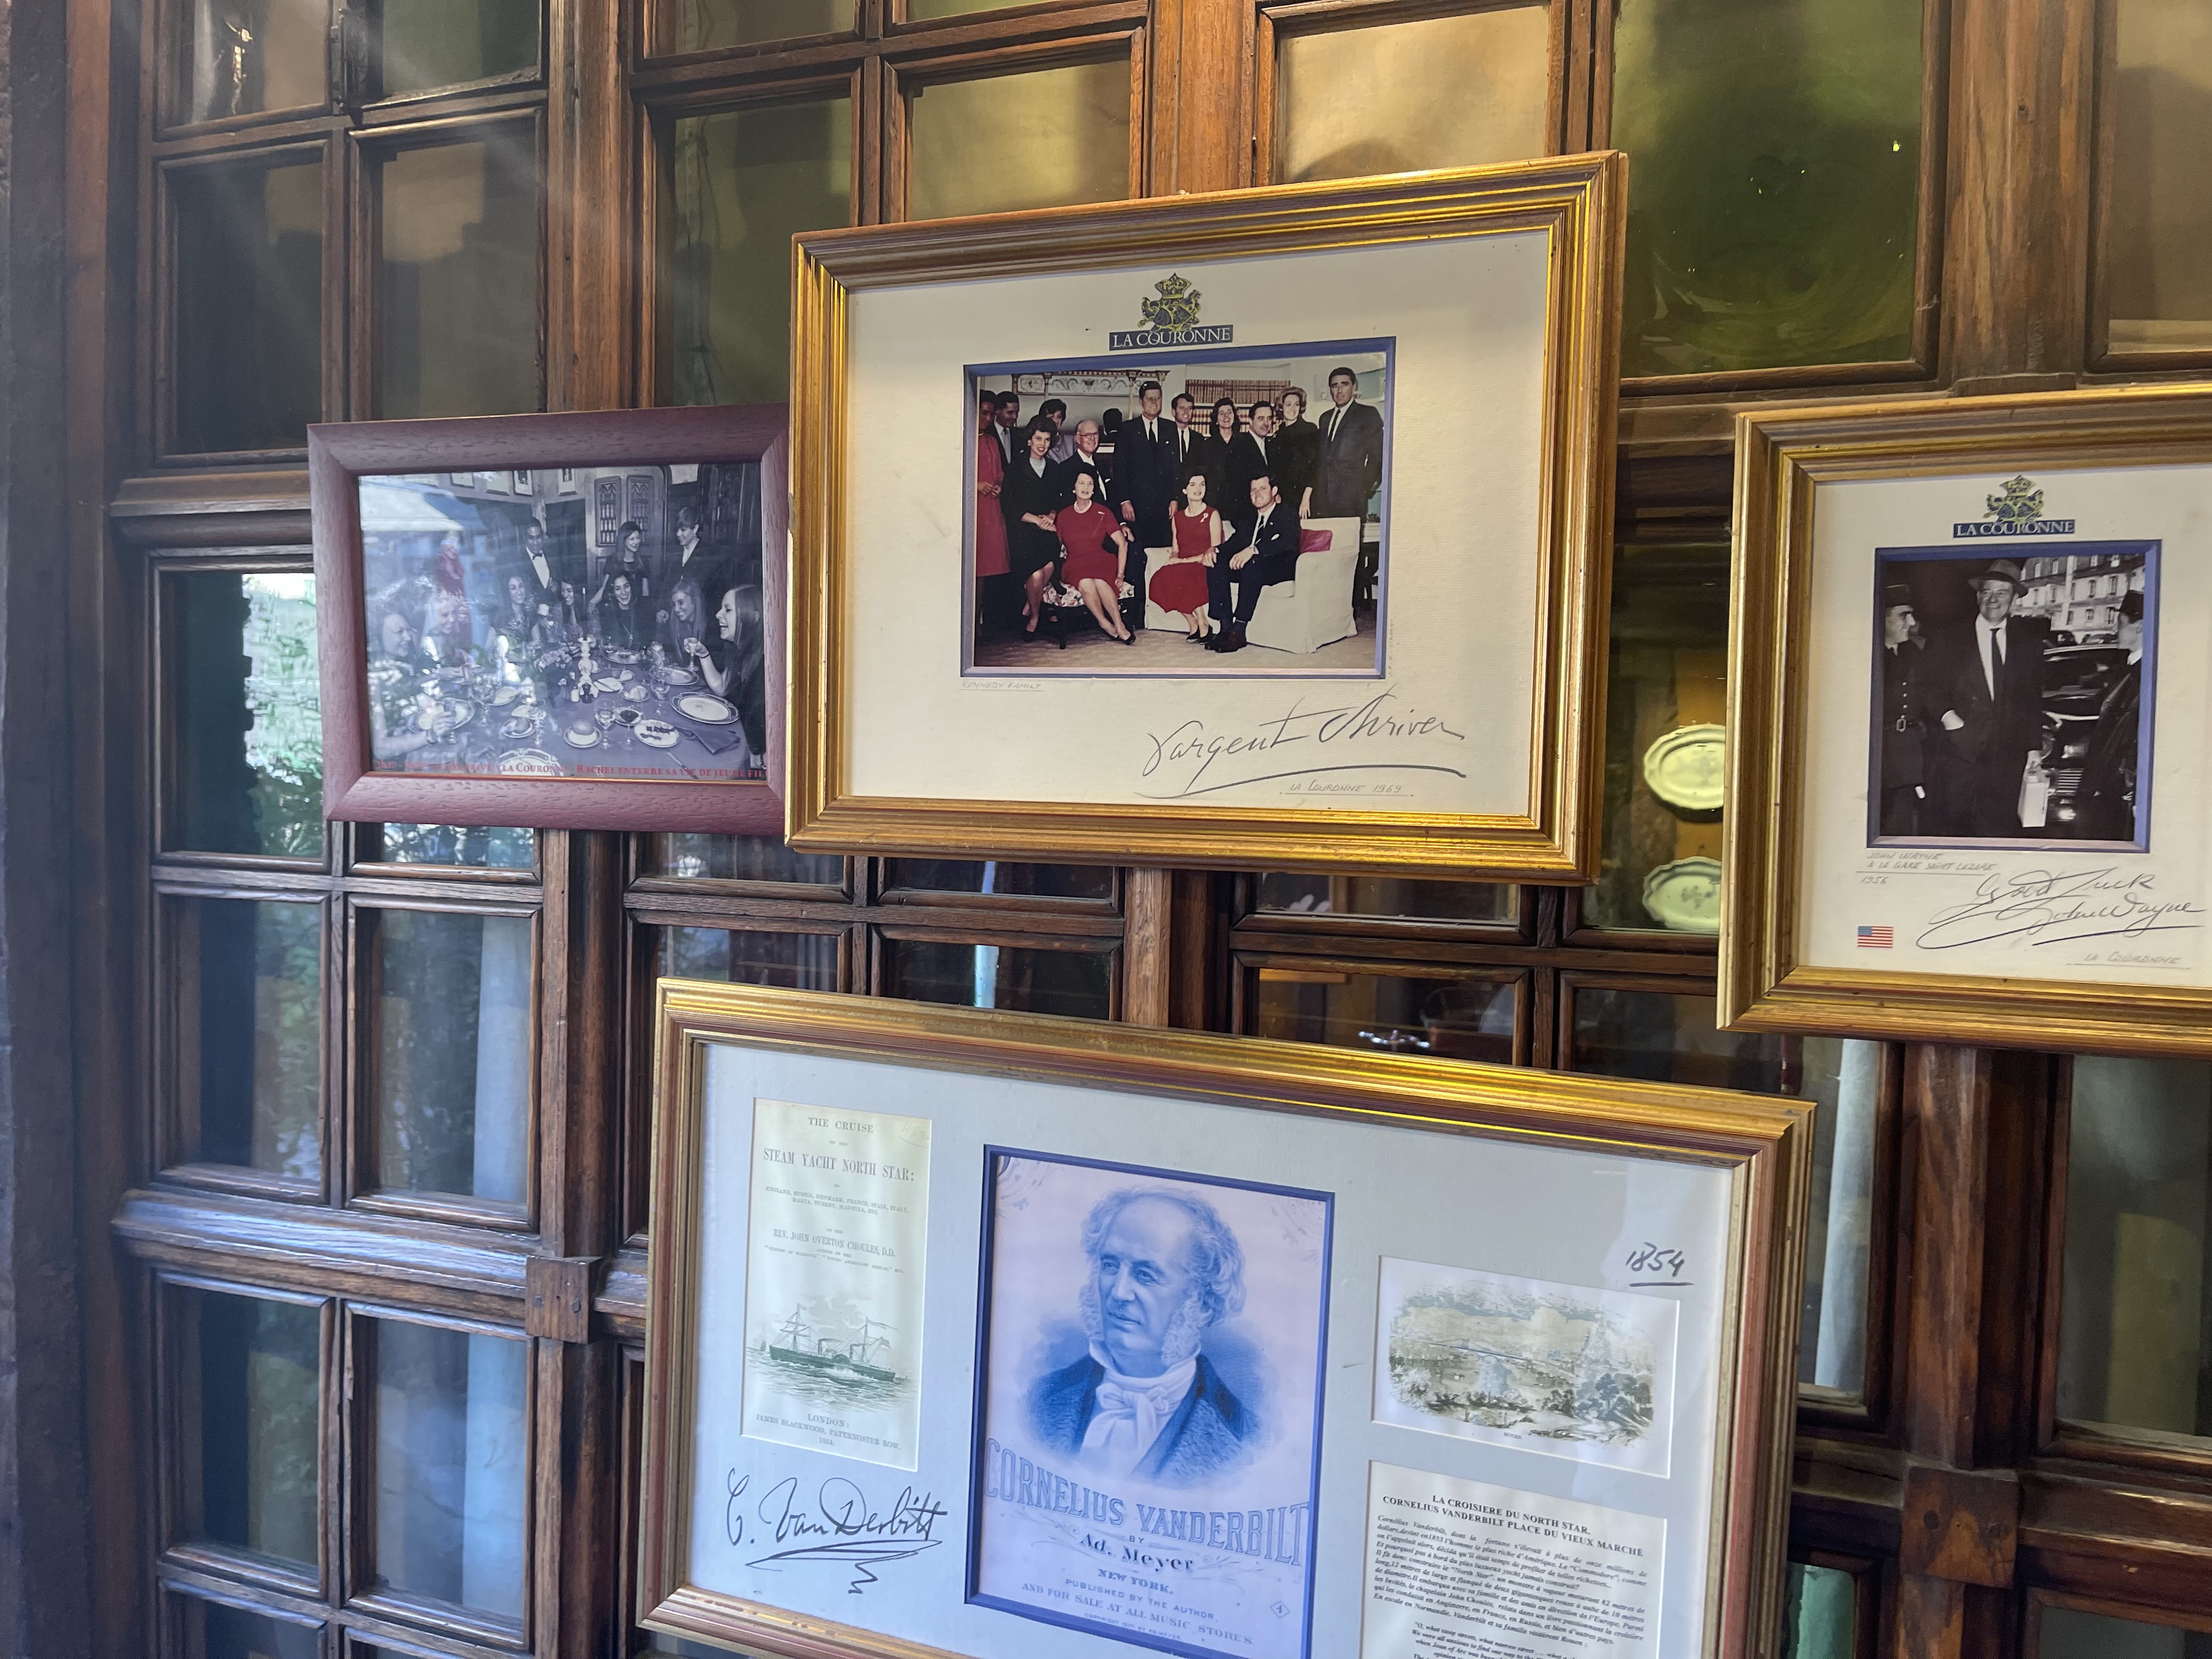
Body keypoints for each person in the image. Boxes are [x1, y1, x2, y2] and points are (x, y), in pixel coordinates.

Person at [1027, 1188, 1255, 1488]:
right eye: (1110, 1266)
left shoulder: (1246, 1443)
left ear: (1202, 1301)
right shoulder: (1038, 1401)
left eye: (1146, 1274)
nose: (1119, 1292)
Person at [1923, 559, 2052, 837]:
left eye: (2001, 593)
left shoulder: (2028, 642)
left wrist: (2032, 748)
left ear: (2014, 598)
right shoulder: (1948, 637)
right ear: (1978, 596)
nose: (1993, 600)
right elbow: (1929, 686)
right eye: (1987, 592)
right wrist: (1949, 719)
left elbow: (2031, 699)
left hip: (2006, 759)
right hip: (1957, 755)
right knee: (1951, 831)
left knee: (1998, 832)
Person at [2076, 589, 2146, 842]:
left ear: (2140, 627)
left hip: (2124, 786)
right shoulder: (2129, 669)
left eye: (2121, 623)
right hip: (2113, 783)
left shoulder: (2146, 674)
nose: (2116, 629)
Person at [1206, 470, 1301, 653]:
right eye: (1253, 490)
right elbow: (1235, 542)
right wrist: (1214, 549)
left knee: (1253, 563)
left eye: (1263, 489)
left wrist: (1254, 550)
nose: (1257, 494)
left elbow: (1287, 544)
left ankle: (1239, 631)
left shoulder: (1287, 514)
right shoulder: (1249, 517)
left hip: (1278, 569)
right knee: (1216, 563)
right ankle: (1226, 628)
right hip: (1252, 570)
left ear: (1274, 491)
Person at [1054, 469, 1135, 644]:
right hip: (1074, 563)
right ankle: (1104, 623)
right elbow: (1055, 546)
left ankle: (1119, 625)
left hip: (1100, 560)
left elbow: (1123, 544)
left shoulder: (1103, 512)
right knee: (1085, 582)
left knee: (1101, 581)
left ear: (1094, 489)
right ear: (1074, 488)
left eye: (1090, 484)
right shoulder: (1064, 515)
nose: (1086, 487)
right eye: (1082, 483)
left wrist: (1120, 575)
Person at [1000, 423, 1065, 635]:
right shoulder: (1016, 468)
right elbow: (1009, 506)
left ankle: (1030, 604)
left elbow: (1058, 501)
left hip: (1047, 528)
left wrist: (1052, 516)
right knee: (1036, 574)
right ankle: (1035, 616)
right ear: (1029, 441)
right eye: (1038, 439)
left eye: (1047, 440)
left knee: (1049, 564)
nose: (1042, 444)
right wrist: (1037, 521)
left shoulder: (1053, 467)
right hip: (1023, 529)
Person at [691, 582, 766, 763]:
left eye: (728, 610)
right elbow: (722, 688)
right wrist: (704, 655)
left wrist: (760, 761)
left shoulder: (767, 667)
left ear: (752, 618)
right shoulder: (737, 649)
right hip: (733, 744)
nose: (718, 614)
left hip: (747, 759)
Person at [1150, 471, 1222, 643]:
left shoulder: (1212, 514)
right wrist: (1173, 560)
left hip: (1205, 563)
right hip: (1183, 564)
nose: (1198, 489)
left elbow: (1216, 549)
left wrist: (1181, 561)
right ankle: (1193, 622)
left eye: (1202, 484)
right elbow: (1176, 549)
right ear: (1184, 490)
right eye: (1193, 484)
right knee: (1161, 577)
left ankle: (1203, 623)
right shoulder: (1178, 518)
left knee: (1186, 576)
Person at [1878, 584, 1927, 836]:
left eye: (1912, 615)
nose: (1912, 623)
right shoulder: (1869, 655)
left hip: (1909, 751)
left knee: (1903, 821)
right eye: (1903, 615)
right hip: (1879, 752)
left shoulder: (1911, 651)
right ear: (1881, 618)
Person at [1116, 380, 1181, 559]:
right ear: (1141, 402)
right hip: (1137, 506)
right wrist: (1124, 501)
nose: (1154, 402)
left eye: (1158, 398)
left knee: (1162, 554)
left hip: (1164, 507)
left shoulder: (1170, 428)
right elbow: (1120, 469)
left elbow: (1176, 467)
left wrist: (1175, 498)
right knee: (1138, 555)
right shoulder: (1128, 429)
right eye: (1150, 399)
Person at [1313, 365, 1384, 519]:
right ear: (1330, 390)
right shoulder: (1325, 418)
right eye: (1335, 386)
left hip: (1351, 500)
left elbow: (1377, 458)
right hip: (1324, 500)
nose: (1339, 391)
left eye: (1344, 385)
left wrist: (1362, 489)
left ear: (1354, 387)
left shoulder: (1367, 414)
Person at [366, 605, 434, 763]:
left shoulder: (404, 667)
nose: (408, 638)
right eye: (399, 632)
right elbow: (381, 748)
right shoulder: (374, 680)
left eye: (409, 631)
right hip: (398, 767)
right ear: (380, 638)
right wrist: (431, 736)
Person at [974, 387, 1012, 629]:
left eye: (990, 414)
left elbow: (1000, 473)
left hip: (990, 509)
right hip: (973, 509)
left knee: (986, 570)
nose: (988, 419)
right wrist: (976, 485)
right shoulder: (962, 438)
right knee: (973, 567)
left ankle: (980, 622)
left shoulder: (991, 441)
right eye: (984, 413)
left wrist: (998, 486)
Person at [1223, 400, 1278, 532]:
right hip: (1248, 517)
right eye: (1261, 419)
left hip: (1266, 514)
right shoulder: (1239, 445)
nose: (1266, 424)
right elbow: (1237, 487)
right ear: (1250, 421)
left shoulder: (1271, 445)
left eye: (1269, 419)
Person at [1273, 386, 1321, 520]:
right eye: (1288, 405)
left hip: (1304, 498)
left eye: (1297, 405)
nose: (1293, 409)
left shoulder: (1310, 430)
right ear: (1282, 407)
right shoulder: (1278, 435)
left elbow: (1315, 467)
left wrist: (1306, 499)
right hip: (1283, 499)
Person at [1195, 398, 1240, 507]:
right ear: (1216, 420)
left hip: (1239, 502)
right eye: (1222, 413)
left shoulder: (1244, 443)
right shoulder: (1206, 445)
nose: (1226, 416)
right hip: (1214, 502)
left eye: (1230, 412)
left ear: (1234, 417)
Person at [596, 569, 648, 653]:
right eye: (618, 589)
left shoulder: (641, 611)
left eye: (626, 586)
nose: (624, 592)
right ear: (613, 592)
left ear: (631, 587)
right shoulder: (608, 614)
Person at [657, 576, 706, 661]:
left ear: (694, 601)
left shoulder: (709, 630)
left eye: (681, 603)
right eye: (674, 605)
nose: (676, 609)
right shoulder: (673, 626)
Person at [1169, 392, 1203, 477]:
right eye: (1182, 408)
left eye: (1190, 408)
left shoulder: (1199, 439)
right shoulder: (1165, 437)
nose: (1186, 412)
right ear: (1174, 412)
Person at [990, 390, 1024, 470]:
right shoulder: (988, 433)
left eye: (1017, 413)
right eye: (1010, 413)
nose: (1015, 417)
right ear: (997, 411)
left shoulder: (1020, 434)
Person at [1037, 398, 1076, 463]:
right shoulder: (1039, 442)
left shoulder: (1072, 440)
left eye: (1059, 417)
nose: (1056, 421)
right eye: (1051, 417)